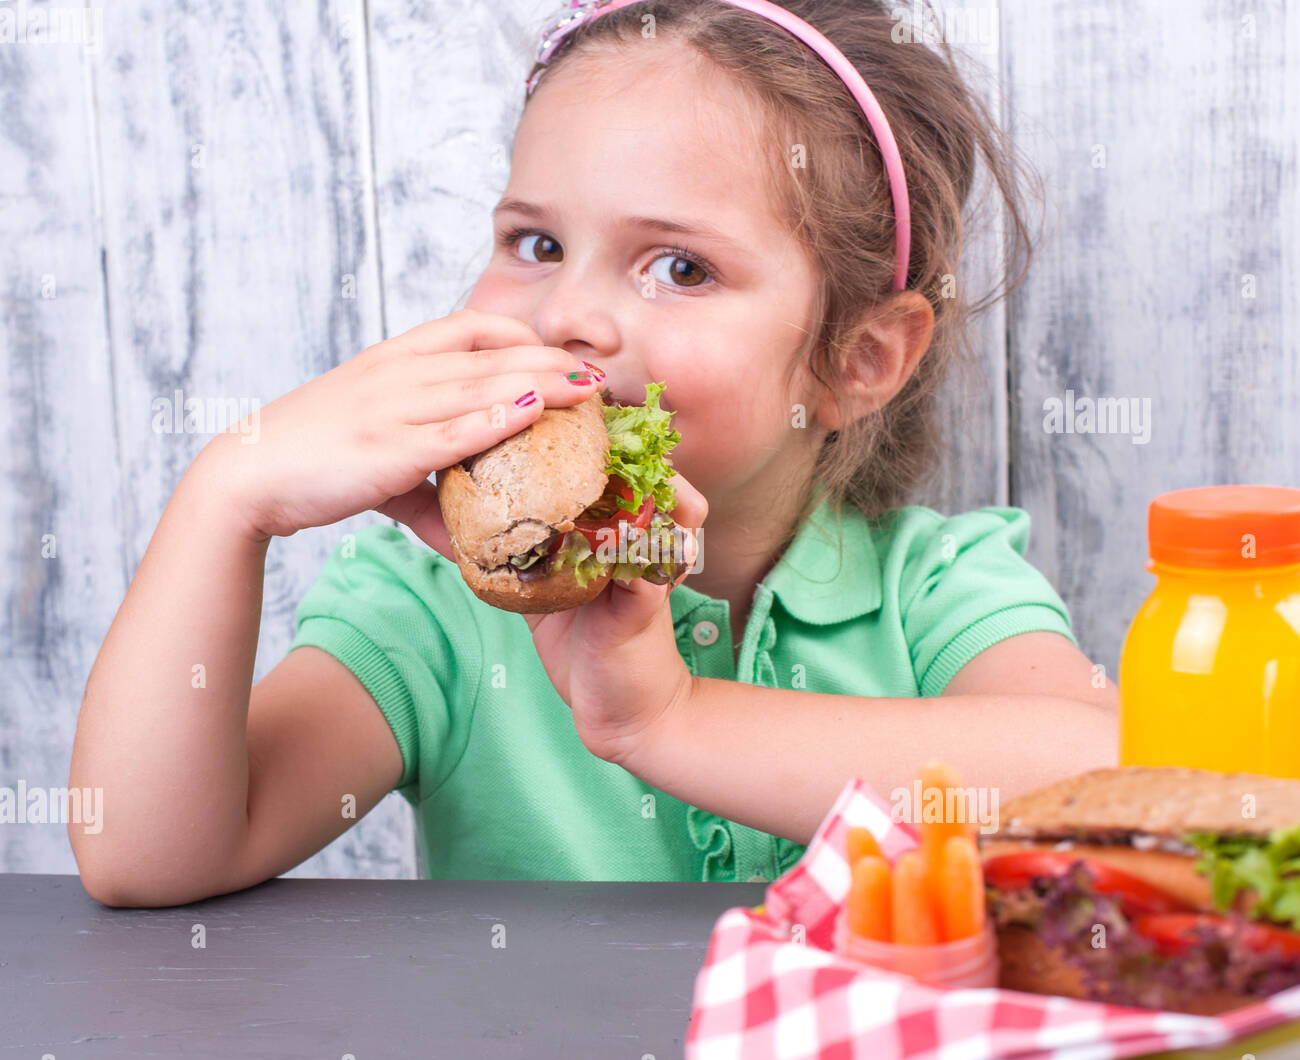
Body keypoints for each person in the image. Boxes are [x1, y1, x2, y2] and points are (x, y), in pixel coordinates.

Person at [69, 0, 1117, 906]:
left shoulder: (930, 588)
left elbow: (1109, 785)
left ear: (858, 356)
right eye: (537, 244)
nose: (570, 313)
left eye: (677, 266)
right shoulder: (434, 601)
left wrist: (671, 721)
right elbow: (147, 857)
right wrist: (225, 498)